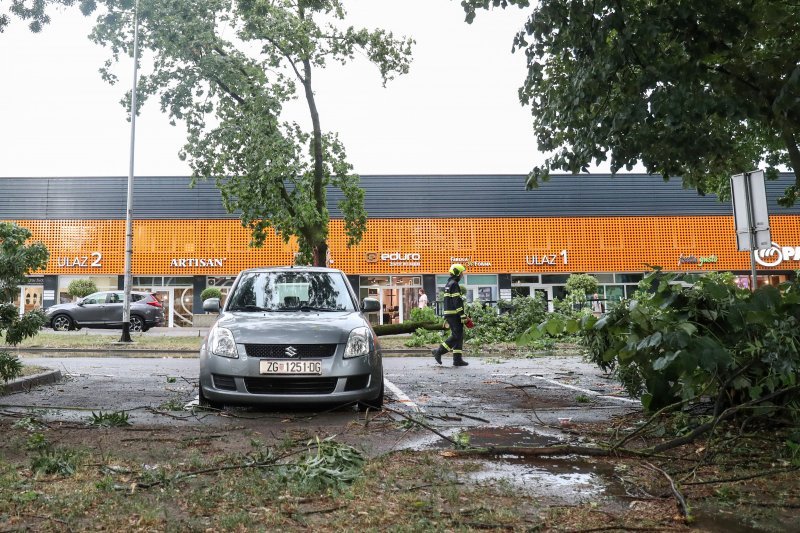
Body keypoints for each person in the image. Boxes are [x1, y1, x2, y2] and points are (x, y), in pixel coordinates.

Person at [432, 264, 470, 367]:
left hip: (451, 314)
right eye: (461, 273)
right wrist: (462, 315)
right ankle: (438, 351)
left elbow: (447, 301)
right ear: (457, 273)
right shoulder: (454, 284)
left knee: (459, 336)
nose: (462, 275)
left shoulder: (449, 284)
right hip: (455, 314)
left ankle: (457, 359)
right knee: (456, 336)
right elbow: (456, 301)